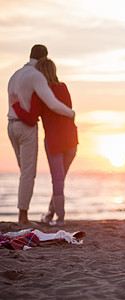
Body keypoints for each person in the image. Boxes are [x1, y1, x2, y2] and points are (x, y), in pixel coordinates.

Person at [7, 44, 75, 227]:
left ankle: (48, 215)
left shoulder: (15, 74)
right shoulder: (39, 78)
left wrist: (14, 106)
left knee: (26, 172)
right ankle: (26, 217)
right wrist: (70, 113)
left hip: (11, 125)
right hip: (35, 130)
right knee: (32, 174)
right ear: (45, 58)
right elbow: (52, 103)